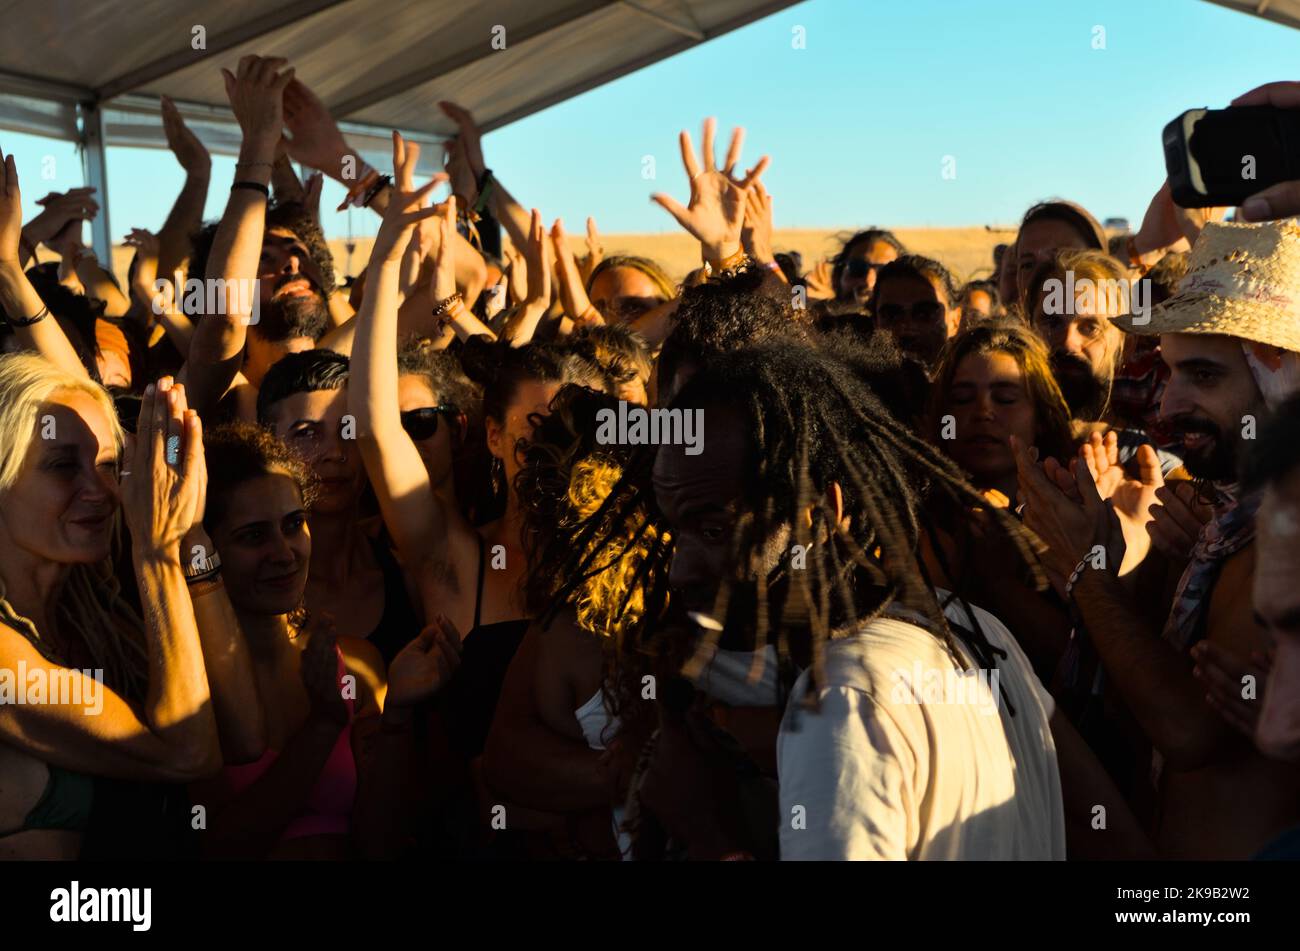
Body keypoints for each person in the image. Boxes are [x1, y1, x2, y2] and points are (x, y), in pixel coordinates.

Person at [1018, 218, 1300, 858]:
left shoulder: (1280, 541)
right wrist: (1122, 558)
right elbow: (1147, 702)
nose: (1169, 407)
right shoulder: (1218, 529)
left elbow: (1187, 729)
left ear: (1285, 379)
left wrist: (1081, 573)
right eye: (1170, 373)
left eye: (1203, 375)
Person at [0, 356, 224, 859]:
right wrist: (157, 551)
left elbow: (242, 738)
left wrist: (189, 534)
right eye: (62, 466)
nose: (103, 492)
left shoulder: (95, 611)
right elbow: (189, 753)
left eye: (107, 465)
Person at [257, 349, 421, 666]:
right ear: (268, 444)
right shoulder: (250, 583)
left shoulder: (407, 576)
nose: (334, 451)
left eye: (348, 430)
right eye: (306, 434)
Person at [869, 254, 962, 369]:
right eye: (891, 315)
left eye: (925, 314)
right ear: (875, 322)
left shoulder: (982, 384)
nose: (907, 330)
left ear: (955, 321)